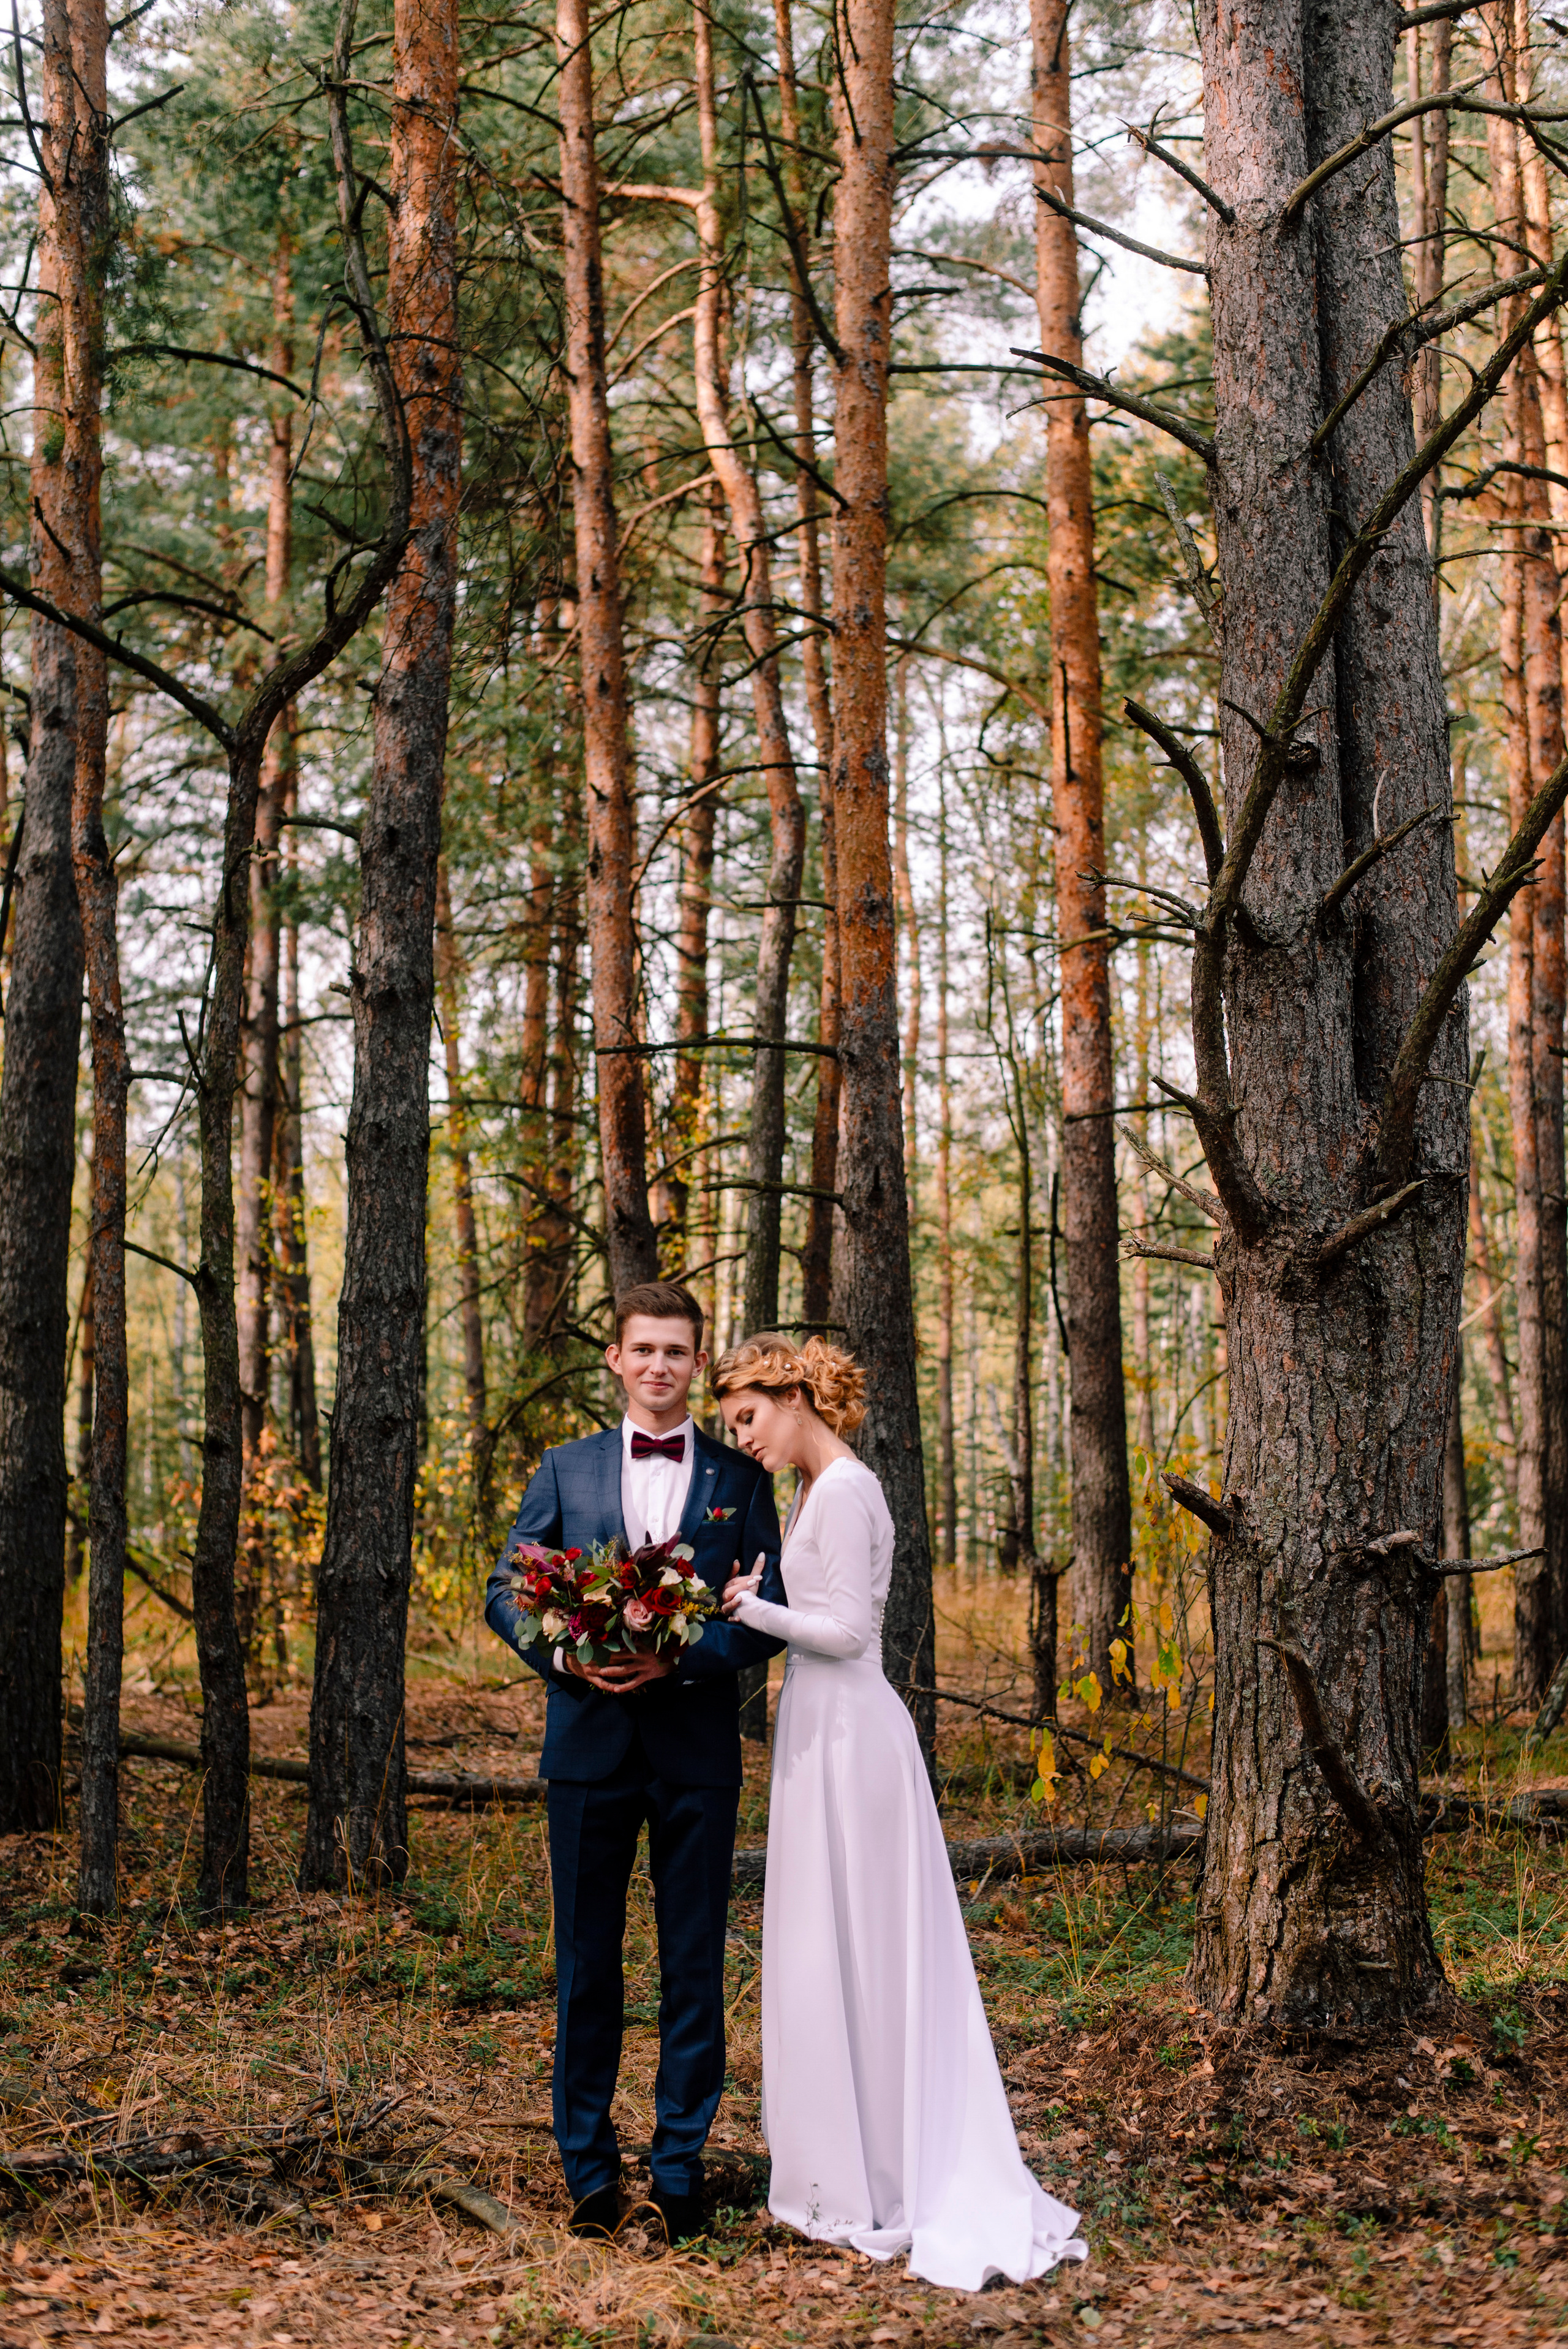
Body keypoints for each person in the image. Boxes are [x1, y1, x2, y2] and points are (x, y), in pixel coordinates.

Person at [714, 1331, 1088, 2293]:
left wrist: (751, 1611)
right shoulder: (814, 1488)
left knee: (867, 1945)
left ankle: (884, 2172)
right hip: (823, 1728)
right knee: (830, 1942)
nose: (743, 1437)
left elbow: (845, 1634)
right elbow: (824, 1606)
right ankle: (856, 2163)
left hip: (850, 1732)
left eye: (748, 1417)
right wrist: (769, 1594)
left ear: (792, 1394)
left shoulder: (842, 1487)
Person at [485, 1282, 786, 2245]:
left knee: (693, 1962)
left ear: (698, 1364)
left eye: (677, 1351)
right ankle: (587, 2168)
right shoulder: (563, 1470)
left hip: (697, 1747)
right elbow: (507, 1585)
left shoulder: (743, 1479)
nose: (660, 1365)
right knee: (586, 1964)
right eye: (643, 1349)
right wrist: (565, 1651)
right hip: (587, 1745)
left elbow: (768, 1610)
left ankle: (679, 2166)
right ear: (615, 1359)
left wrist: (685, 1654)